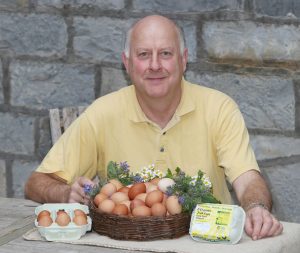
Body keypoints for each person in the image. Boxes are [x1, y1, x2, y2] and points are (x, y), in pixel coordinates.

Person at [24, 15, 283, 240]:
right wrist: (65, 193)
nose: (155, 65)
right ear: (127, 63)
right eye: (144, 54)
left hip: (207, 244)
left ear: (184, 60)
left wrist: (256, 207)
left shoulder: (219, 108)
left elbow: (247, 179)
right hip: (124, 245)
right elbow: (36, 183)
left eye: (166, 53)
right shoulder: (103, 113)